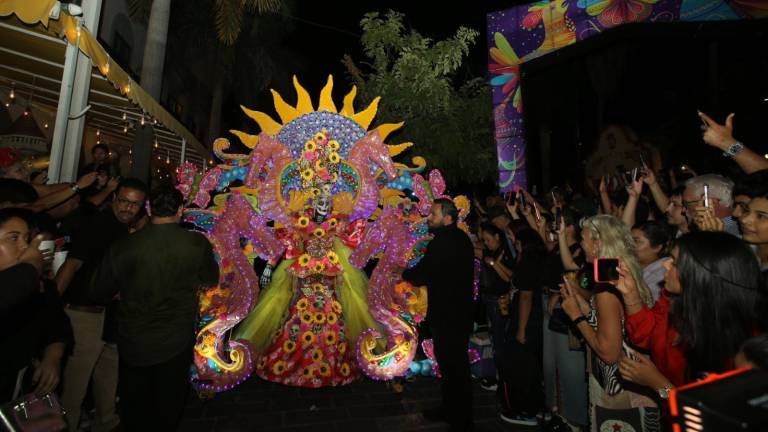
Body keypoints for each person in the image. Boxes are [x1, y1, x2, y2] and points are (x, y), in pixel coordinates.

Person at [90, 186, 219, 431]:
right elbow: (210, 279)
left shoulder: (126, 245)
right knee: (168, 403)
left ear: (148, 209)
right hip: (176, 336)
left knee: (135, 402)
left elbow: (98, 290)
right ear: (181, 210)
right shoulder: (195, 243)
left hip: (133, 337)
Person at [234, 182, 380, 387]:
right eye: (320, 196)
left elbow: (355, 239)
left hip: (329, 274)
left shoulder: (338, 222)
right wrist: (268, 267)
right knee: (298, 313)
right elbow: (284, 244)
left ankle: (332, 364)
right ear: (313, 198)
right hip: (303, 274)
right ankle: (292, 362)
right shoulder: (299, 221)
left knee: (331, 313)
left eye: (328, 198)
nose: (323, 201)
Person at [616, 232, 766, 393]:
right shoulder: (676, 302)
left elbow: (708, 413)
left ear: (700, 274)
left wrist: (659, 385)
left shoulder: (744, 345)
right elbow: (646, 335)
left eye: (674, 262)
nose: (665, 264)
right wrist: (630, 294)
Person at [55, 178, 148, 432]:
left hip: (107, 314)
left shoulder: (121, 229)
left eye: (135, 205)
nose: (128, 209)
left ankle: (106, 421)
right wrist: (51, 308)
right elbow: (72, 265)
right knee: (76, 383)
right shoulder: (99, 225)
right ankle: (67, 426)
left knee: (108, 371)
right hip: (83, 313)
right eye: (124, 202)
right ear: (114, 198)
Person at [560, 215, 659, 432]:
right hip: (635, 383)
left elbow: (608, 352)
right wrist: (584, 305)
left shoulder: (608, 289)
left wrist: (576, 315)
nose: (581, 244)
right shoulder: (624, 274)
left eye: (584, 239)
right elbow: (613, 323)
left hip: (619, 390)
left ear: (598, 243)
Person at [402, 198, 475, 432]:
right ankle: (451, 409)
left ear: (448, 217)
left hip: (449, 315)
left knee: (454, 367)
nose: (429, 218)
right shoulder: (459, 238)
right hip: (457, 313)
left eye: (433, 214)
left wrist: (402, 272)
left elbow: (422, 273)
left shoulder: (442, 243)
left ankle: (460, 417)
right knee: (451, 365)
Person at [0, 208, 73, 403]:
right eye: (13, 238)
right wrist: (31, 267)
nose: (25, 247)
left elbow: (58, 323)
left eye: (26, 238)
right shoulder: (22, 282)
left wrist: (53, 356)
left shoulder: (40, 286)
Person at [498, 228, 546, 426]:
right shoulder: (531, 260)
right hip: (529, 318)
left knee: (522, 366)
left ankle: (526, 411)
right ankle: (536, 406)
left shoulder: (527, 263)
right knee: (530, 366)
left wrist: (521, 329)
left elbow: (526, 296)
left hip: (526, 320)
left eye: (517, 243)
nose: (515, 246)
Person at [476, 222, 514, 391]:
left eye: (488, 239)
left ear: (498, 237)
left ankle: (504, 381)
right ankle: (501, 377)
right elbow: (474, 250)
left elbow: (509, 278)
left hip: (500, 302)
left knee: (501, 341)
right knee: (495, 339)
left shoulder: (506, 252)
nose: (486, 243)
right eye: (483, 240)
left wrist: (493, 263)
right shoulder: (488, 252)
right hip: (489, 300)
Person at [631, 221, 671, 301]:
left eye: (636, 241)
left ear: (657, 247)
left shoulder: (662, 276)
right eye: (628, 240)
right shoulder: (631, 265)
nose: (629, 245)